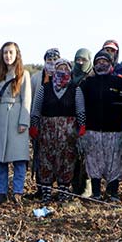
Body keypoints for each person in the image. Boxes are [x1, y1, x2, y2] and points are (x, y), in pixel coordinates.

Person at [31, 56, 85, 203]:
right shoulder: (45, 88)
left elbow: (80, 111)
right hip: (47, 131)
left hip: (68, 133)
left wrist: (82, 127)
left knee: (67, 160)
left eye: (65, 68)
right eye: (59, 68)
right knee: (45, 160)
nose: (62, 71)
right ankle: (46, 191)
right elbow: (36, 109)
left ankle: (63, 191)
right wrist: (34, 126)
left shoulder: (75, 89)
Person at [80, 50, 122, 201]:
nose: (101, 64)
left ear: (111, 64)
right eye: (98, 62)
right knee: (94, 161)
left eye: (104, 62)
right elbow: (81, 105)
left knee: (115, 162)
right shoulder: (87, 83)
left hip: (115, 130)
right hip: (93, 129)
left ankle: (113, 192)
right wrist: (82, 125)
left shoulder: (119, 82)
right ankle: (96, 192)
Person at [0, 42, 33, 203]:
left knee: (19, 159)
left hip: (16, 118)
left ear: (16, 54)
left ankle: (18, 191)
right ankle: (1, 191)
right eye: (5, 53)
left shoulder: (24, 74)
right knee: (0, 159)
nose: (8, 56)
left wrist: (24, 122)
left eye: (11, 52)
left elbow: (26, 100)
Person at [70, 48, 95, 198]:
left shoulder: (92, 77)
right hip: (71, 120)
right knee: (73, 155)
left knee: (87, 156)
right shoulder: (70, 76)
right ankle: (74, 186)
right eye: (78, 60)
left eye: (83, 60)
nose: (80, 63)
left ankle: (87, 187)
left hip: (89, 120)